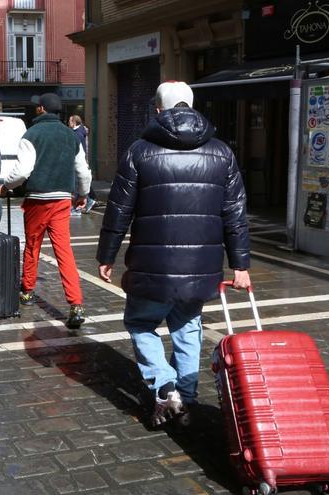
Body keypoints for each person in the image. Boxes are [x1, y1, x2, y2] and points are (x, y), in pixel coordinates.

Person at [96, 81, 251, 426]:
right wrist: (240, 264)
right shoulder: (221, 152)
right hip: (200, 267)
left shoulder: (139, 151)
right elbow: (235, 213)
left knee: (140, 323)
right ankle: (187, 399)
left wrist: (107, 255)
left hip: (151, 265)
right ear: (192, 107)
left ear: (157, 110)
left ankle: (165, 386)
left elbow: (118, 210)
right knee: (188, 326)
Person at [0, 93, 91, 329]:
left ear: (41, 109)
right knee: (64, 251)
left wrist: (6, 185)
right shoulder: (71, 136)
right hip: (62, 200)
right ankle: (76, 304)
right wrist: (83, 194)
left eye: (37, 106)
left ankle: (28, 291)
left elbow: (22, 171)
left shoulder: (32, 134)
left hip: (38, 199)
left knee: (33, 246)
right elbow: (83, 170)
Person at [69, 115, 97, 215]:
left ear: (74, 122)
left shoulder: (77, 134)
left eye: (70, 121)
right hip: (80, 160)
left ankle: (77, 209)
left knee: (77, 183)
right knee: (81, 182)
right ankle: (89, 200)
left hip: (78, 161)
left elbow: (77, 149)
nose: (68, 123)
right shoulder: (79, 132)